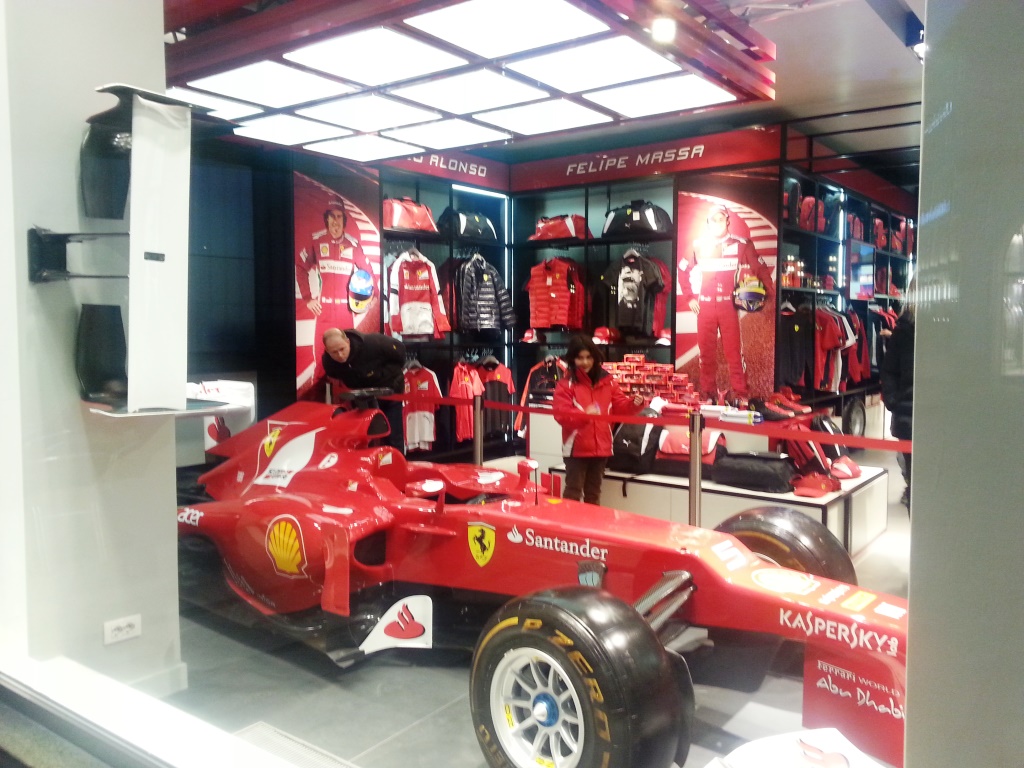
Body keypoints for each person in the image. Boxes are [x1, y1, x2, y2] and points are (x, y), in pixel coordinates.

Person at [679, 204, 775, 401]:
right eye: (713, 219)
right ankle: (708, 394)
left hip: (728, 307)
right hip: (705, 308)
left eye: (721, 219)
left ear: (727, 221)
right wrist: (689, 297)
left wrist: (770, 295)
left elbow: (761, 269)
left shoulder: (741, 244)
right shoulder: (698, 245)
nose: (717, 223)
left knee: (734, 355)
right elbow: (682, 270)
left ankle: (741, 395)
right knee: (706, 355)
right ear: (708, 222)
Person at [552, 335, 644, 505]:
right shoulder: (565, 385)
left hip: (602, 448)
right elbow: (561, 414)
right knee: (573, 491)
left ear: (595, 357)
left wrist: (635, 404)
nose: (585, 362)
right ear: (572, 359)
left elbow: (621, 407)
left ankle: (589, 523)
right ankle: (569, 523)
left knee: (593, 494)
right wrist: (585, 415)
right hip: (576, 450)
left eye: (589, 357)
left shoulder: (608, 382)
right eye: (580, 358)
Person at [296, 200, 374, 397]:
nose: (335, 221)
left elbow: (369, 274)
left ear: (344, 220)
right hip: (324, 313)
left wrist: (369, 298)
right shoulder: (317, 241)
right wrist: (308, 298)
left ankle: (347, 410)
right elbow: (300, 266)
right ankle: (316, 411)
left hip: (345, 313)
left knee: (348, 364)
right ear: (327, 219)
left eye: (339, 216)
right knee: (321, 367)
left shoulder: (353, 245)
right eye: (331, 216)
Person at [321, 328, 405, 453]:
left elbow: (400, 353)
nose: (340, 355)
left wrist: (383, 374)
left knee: (392, 434)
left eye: (342, 349)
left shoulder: (374, 343)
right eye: (334, 352)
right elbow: (334, 374)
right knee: (364, 434)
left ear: (348, 341)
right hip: (361, 394)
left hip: (390, 389)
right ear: (327, 351)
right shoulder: (328, 362)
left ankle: (397, 462)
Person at [880, 277, 915, 508]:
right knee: (911, 467)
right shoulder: (903, 330)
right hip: (907, 411)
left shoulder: (946, 327)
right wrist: (894, 401)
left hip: (939, 411)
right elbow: (889, 370)